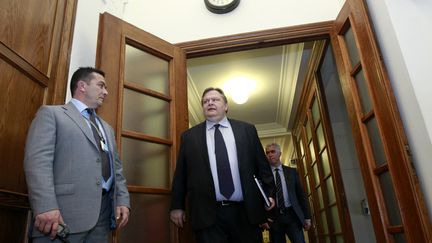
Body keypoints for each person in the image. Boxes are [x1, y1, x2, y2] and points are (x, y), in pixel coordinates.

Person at [24, 67, 130, 242]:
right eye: (101, 86)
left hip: (102, 218)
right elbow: (37, 163)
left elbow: (117, 169)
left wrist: (122, 200)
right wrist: (45, 207)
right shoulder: (52, 114)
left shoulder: (107, 128)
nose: (106, 92)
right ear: (82, 86)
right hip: (62, 217)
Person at [170, 87, 276, 243]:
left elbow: (263, 169)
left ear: (226, 106)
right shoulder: (189, 137)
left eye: (215, 100)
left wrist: (269, 196)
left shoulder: (247, 130)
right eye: (206, 101)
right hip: (207, 215)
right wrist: (177, 206)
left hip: (246, 213)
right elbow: (181, 174)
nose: (210, 103)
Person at [265, 143, 311, 243]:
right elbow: (261, 198)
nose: (270, 154)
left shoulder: (292, 172)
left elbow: (301, 196)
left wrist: (307, 217)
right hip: (274, 219)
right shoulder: (264, 175)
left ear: (280, 153)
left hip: (292, 216)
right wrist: (264, 218)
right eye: (267, 152)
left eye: (273, 151)